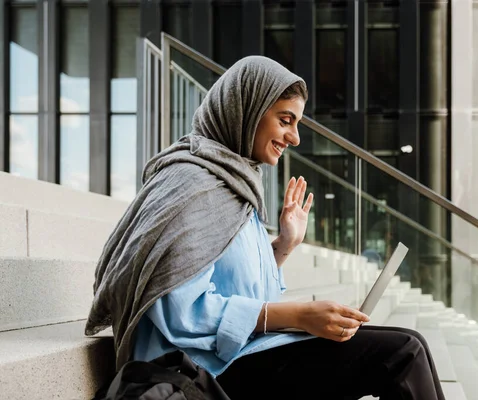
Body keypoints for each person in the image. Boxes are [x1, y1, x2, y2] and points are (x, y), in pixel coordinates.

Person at [86, 56, 445, 400]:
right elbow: (179, 311)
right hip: (201, 372)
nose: (295, 137)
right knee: (403, 354)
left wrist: (284, 245)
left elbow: (229, 281)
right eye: (285, 120)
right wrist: (300, 315)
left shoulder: (232, 184)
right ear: (247, 111)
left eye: (297, 124)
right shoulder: (192, 183)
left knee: (410, 345)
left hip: (237, 356)